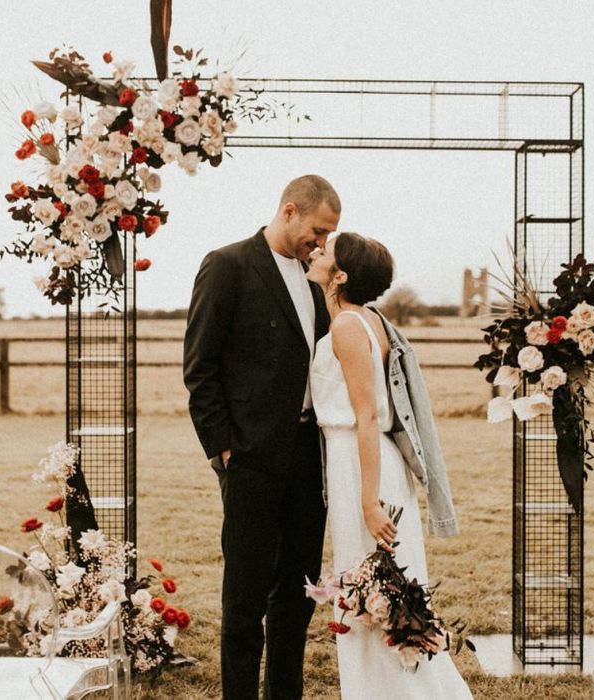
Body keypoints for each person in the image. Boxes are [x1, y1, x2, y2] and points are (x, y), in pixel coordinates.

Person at [183, 174, 341, 699]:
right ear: (290, 210)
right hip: (249, 458)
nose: (320, 242)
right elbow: (200, 369)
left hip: (307, 457)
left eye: (328, 235)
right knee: (245, 601)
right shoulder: (227, 265)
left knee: (297, 598)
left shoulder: (313, 276)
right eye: (317, 230)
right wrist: (225, 450)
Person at [306, 232, 473, 699]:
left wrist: (367, 500)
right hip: (362, 461)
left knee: (374, 592)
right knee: (381, 591)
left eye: (327, 251)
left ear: (340, 276)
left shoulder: (346, 327)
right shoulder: (369, 319)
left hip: (362, 464)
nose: (317, 251)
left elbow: (367, 416)